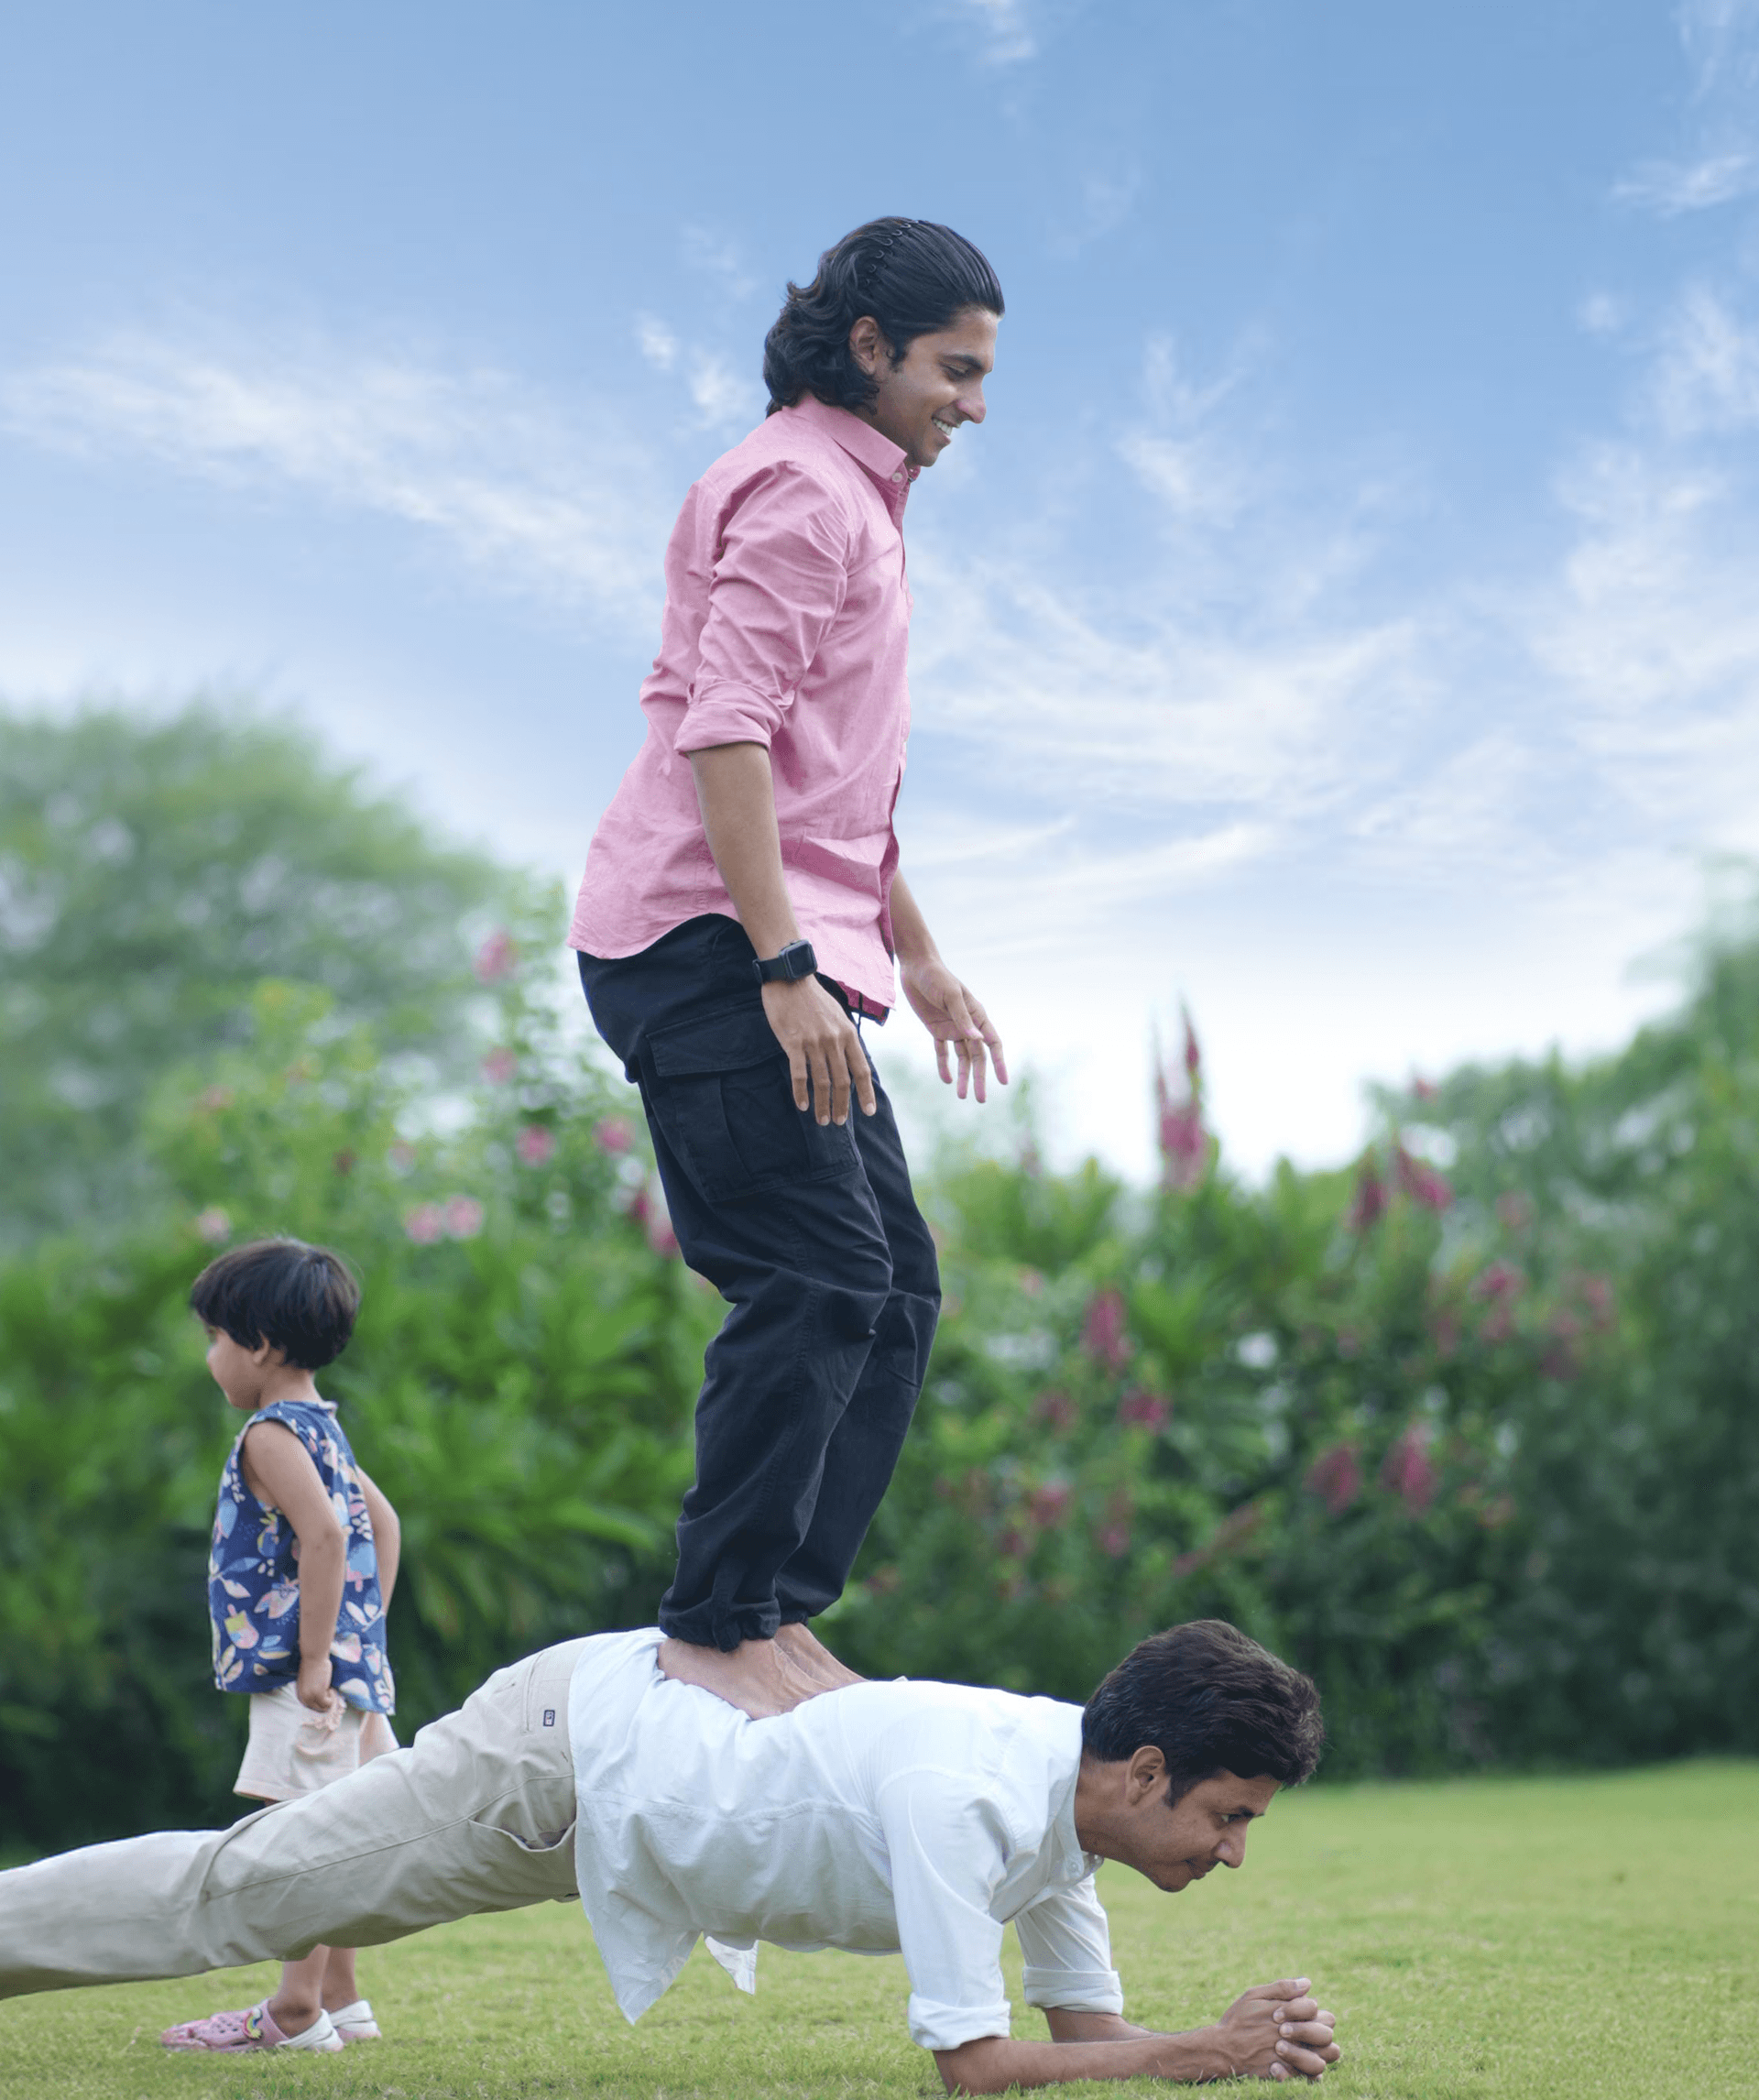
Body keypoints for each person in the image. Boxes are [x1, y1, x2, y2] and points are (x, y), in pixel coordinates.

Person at [573, 216, 1010, 1720]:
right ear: (871, 348)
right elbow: (729, 736)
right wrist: (779, 963)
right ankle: (715, 1627)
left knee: (894, 1288)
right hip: (706, 942)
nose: (974, 403)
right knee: (817, 1276)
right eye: (956, 369)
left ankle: (767, 1613)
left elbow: (830, 781)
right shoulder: (800, 493)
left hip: (775, 937)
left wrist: (917, 954)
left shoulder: (858, 498)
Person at [0, 1619, 1341, 2090]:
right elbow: (975, 2070)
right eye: (1229, 1816)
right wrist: (1195, 2052)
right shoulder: (970, 1794)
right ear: (1147, 1771)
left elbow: (1085, 2033)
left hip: (613, 1789)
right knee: (236, 1897)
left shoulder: (1067, 1805)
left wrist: (1226, 2049)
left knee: (245, 1897)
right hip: (560, 1763)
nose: (1232, 1854)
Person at [156, 1237, 401, 2055]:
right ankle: (340, 1995)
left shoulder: (270, 1435)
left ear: (259, 1345)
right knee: (344, 1830)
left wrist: (317, 1657)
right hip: (350, 1672)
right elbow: (382, 1526)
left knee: (302, 1837)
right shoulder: (325, 1430)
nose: (211, 1357)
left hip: (307, 1679)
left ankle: (294, 2010)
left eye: (216, 1337)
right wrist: (363, 1636)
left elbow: (325, 1535)